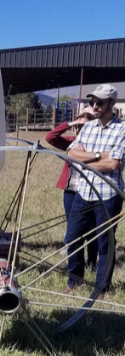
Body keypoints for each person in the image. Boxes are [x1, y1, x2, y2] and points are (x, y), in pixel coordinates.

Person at [64, 84, 125, 298]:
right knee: (72, 238)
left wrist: (85, 158)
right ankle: (74, 280)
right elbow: (70, 153)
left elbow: (114, 165)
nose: (95, 106)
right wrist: (99, 155)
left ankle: (101, 289)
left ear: (111, 104)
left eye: (99, 102)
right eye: (92, 102)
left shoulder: (122, 129)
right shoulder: (88, 127)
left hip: (108, 195)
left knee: (104, 243)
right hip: (84, 191)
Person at [45, 104, 97, 270]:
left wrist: (86, 155)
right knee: (73, 223)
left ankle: (92, 262)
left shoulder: (96, 144)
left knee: (92, 227)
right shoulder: (71, 142)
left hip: (88, 190)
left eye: (88, 121)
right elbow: (50, 138)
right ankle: (74, 254)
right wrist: (69, 124)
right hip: (71, 190)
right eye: (81, 122)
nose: (83, 126)